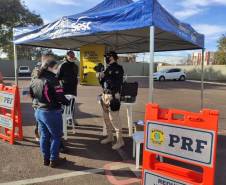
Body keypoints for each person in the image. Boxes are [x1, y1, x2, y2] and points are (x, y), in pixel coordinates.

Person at [30, 59, 69, 167]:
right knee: (56, 136)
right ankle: (53, 160)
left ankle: (46, 159)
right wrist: (67, 101)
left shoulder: (35, 78)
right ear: (50, 67)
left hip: (39, 111)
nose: (57, 70)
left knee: (44, 136)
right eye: (56, 67)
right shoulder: (52, 79)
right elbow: (60, 96)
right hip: (51, 112)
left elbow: (32, 95)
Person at [98, 51, 125, 150]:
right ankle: (110, 136)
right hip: (105, 95)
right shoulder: (107, 69)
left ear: (113, 57)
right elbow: (102, 83)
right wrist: (100, 75)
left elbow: (117, 82)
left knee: (114, 119)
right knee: (106, 118)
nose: (106, 58)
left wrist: (106, 74)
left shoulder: (118, 68)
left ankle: (120, 141)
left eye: (108, 57)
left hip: (113, 95)